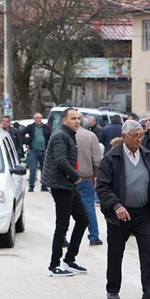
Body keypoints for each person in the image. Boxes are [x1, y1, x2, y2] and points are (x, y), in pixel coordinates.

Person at [97, 120, 150, 299]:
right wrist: (116, 205)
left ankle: (149, 290)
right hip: (120, 214)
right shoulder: (112, 158)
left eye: (141, 136)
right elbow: (103, 187)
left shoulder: (147, 156)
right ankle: (113, 288)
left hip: (144, 212)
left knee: (148, 250)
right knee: (115, 251)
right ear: (124, 137)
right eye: (135, 136)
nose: (139, 139)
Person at [41, 108, 89, 277]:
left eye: (78, 118)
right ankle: (54, 266)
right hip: (61, 185)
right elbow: (60, 160)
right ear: (64, 121)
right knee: (62, 225)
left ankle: (70, 260)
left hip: (67, 184)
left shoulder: (68, 134)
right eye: (73, 118)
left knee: (83, 219)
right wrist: (76, 176)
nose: (77, 121)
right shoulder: (61, 135)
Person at [75, 123, 103, 246]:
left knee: (64, 210)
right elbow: (96, 159)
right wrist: (96, 175)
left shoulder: (62, 135)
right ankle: (94, 236)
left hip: (68, 178)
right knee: (88, 207)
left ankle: (63, 238)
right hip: (85, 176)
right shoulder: (90, 136)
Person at [21, 113, 52, 192]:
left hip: (44, 151)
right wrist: (27, 142)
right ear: (34, 119)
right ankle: (31, 186)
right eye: (37, 118)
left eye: (40, 118)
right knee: (33, 169)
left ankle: (44, 186)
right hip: (33, 151)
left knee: (44, 170)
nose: (39, 120)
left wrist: (48, 147)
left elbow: (50, 138)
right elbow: (21, 134)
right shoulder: (31, 127)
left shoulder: (46, 127)